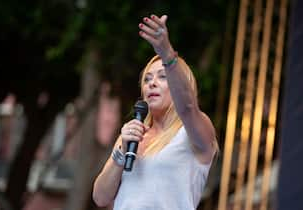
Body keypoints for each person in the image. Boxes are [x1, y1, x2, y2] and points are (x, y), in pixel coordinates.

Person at [92, 14, 219, 210]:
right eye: (147, 79)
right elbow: (100, 197)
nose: (152, 83)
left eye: (162, 77)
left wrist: (167, 54)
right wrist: (121, 153)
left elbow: (187, 108)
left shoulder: (192, 133)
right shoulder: (132, 135)